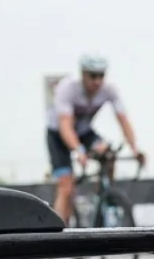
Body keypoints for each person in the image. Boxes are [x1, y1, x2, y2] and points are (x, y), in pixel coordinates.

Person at [46, 54, 144, 224]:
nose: (97, 81)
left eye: (101, 75)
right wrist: (78, 151)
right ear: (83, 74)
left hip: (84, 132)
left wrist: (135, 149)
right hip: (58, 135)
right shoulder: (67, 89)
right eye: (92, 75)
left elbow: (123, 120)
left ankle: (105, 197)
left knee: (108, 153)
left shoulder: (109, 90)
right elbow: (65, 127)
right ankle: (58, 231)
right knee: (66, 187)